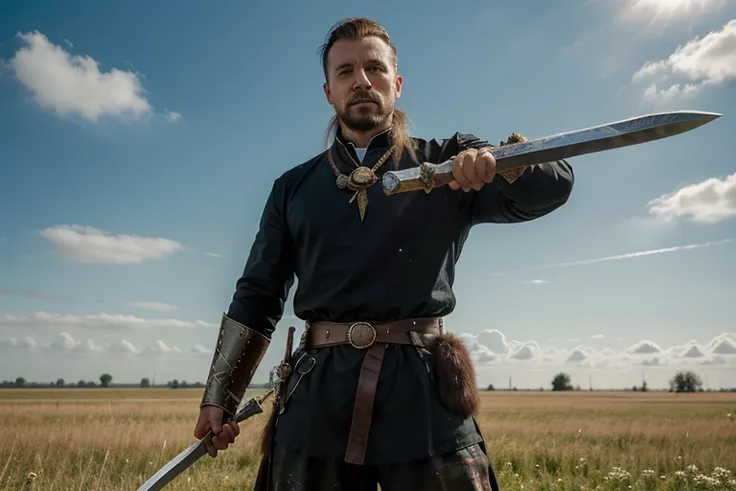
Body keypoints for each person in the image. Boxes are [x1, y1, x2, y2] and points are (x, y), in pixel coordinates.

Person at [192, 17, 574, 491]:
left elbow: (553, 189)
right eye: (346, 72)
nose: (362, 81)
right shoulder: (292, 189)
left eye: (374, 69)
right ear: (328, 91)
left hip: (425, 404)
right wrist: (219, 398)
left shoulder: (448, 164)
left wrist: (495, 160)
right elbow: (257, 295)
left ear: (396, 83)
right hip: (316, 405)